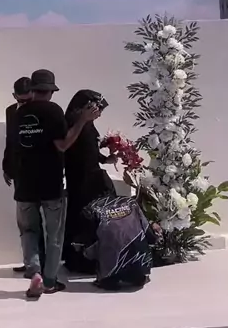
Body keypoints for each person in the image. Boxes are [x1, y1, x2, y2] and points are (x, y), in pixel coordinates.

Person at [13, 69, 100, 298]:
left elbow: (13, 146)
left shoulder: (19, 113)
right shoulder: (53, 111)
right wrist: (83, 120)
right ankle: (49, 282)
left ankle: (34, 272)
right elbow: (63, 144)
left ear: (33, 89)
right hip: (50, 183)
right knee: (54, 235)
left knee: (28, 231)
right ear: (51, 91)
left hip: (24, 184)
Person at [63, 90, 118, 274]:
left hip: (91, 178)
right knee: (83, 216)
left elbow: (89, 150)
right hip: (81, 180)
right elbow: (70, 148)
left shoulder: (87, 124)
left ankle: (94, 256)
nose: (99, 114)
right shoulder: (74, 123)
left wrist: (105, 159)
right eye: (97, 109)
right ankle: (80, 259)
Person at [2, 77, 46, 276]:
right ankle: (32, 261)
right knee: (26, 221)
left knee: (41, 220)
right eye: (21, 100)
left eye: (29, 100)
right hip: (20, 172)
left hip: (42, 171)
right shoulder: (11, 111)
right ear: (14, 96)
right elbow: (10, 141)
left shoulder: (43, 111)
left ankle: (40, 263)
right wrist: (7, 167)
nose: (25, 104)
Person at [80, 195, 157, 290]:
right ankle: (136, 275)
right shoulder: (131, 202)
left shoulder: (91, 210)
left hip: (111, 267)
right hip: (139, 265)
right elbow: (148, 232)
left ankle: (109, 278)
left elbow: (89, 249)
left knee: (94, 250)